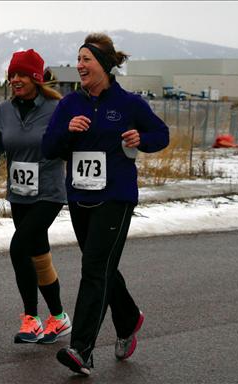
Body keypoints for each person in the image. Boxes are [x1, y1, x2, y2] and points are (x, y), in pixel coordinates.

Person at [42, 33, 169, 375]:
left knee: (95, 269)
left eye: (87, 60)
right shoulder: (69, 105)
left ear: (105, 65)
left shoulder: (129, 104)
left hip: (116, 197)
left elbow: (162, 135)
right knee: (102, 265)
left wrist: (142, 138)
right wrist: (68, 130)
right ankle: (128, 319)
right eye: (79, 59)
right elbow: (49, 148)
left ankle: (81, 350)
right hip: (81, 196)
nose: (80, 66)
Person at [0, 49, 72, 344]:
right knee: (38, 254)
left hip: (49, 192)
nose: (15, 80)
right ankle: (58, 317)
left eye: (21, 75)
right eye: (12, 75)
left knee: (19, 248)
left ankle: (31, 319)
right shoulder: (4, 110)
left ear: (36, 78)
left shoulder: (58, 108)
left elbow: (71, 142)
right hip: (19, 193)